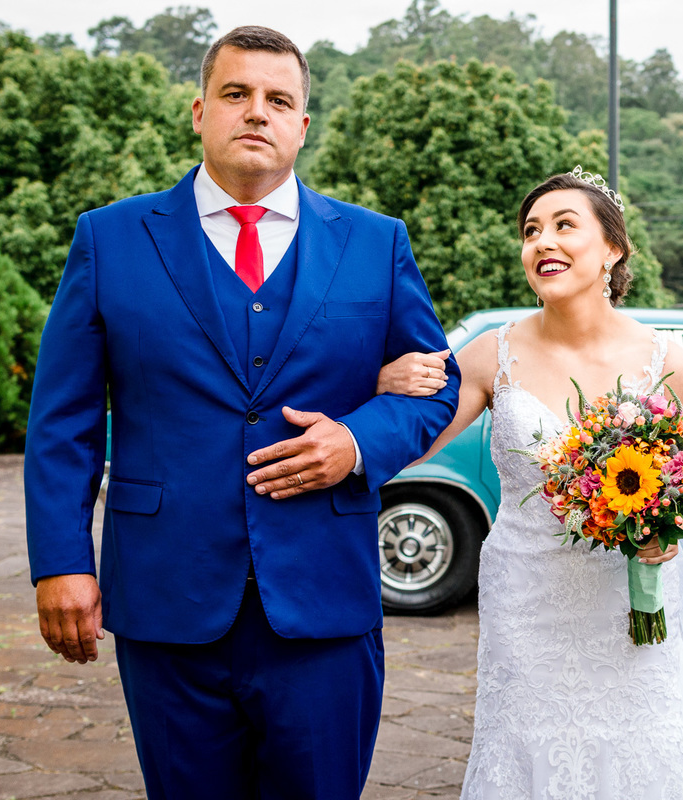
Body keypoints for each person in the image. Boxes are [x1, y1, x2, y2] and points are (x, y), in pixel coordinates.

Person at [23, 26, 458, 799]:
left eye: (278, 99)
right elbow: (65, 419)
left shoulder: (375, 243)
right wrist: (61, 560)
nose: (256, 111)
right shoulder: (110, 238)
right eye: (236, 94)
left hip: (323, 600)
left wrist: (356, 442)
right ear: (200, 111)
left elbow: (437, 385)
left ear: (302, 125)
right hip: (167, 597)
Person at [381, 168, 683, 799]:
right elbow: (407, 442)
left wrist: (668, 534)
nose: (543, 242)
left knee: (647, 742)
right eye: (531, 231)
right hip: (527, 598)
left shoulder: (662, 358)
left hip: (629, 599)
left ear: (612, 249)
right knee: (530, 741)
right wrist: (384, 384)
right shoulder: (489, 353)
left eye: (565, 226)